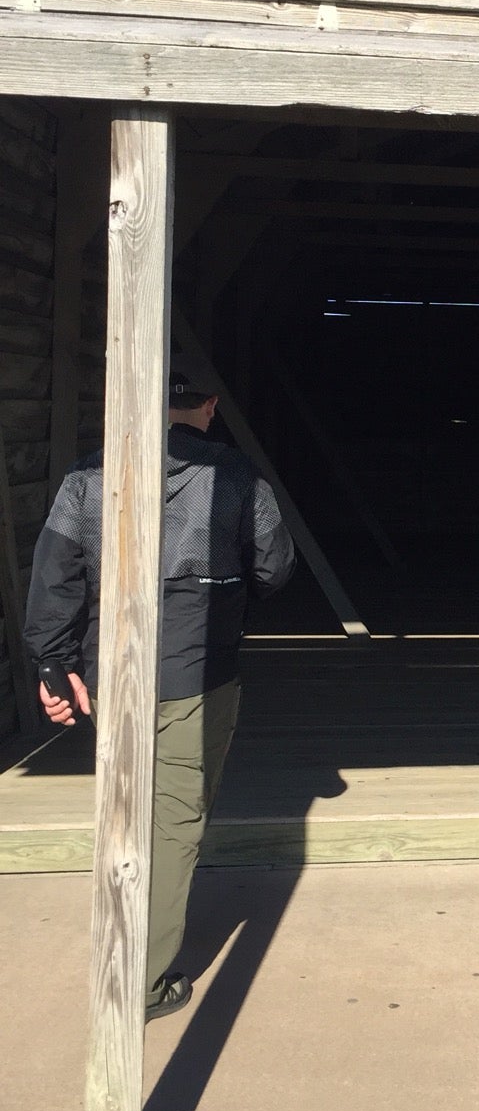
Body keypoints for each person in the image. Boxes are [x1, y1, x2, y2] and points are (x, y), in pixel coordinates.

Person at [25, 366, 295, 1023]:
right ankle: (140, 982)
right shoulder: (238, 476)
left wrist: (54, 668)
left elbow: (55, 575)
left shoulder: (89, 475)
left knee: (123, 811)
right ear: (207, 407)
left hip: (110, 674)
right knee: (173, 822)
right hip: (197, 673)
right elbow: (274, 567)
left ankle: (121, 943)